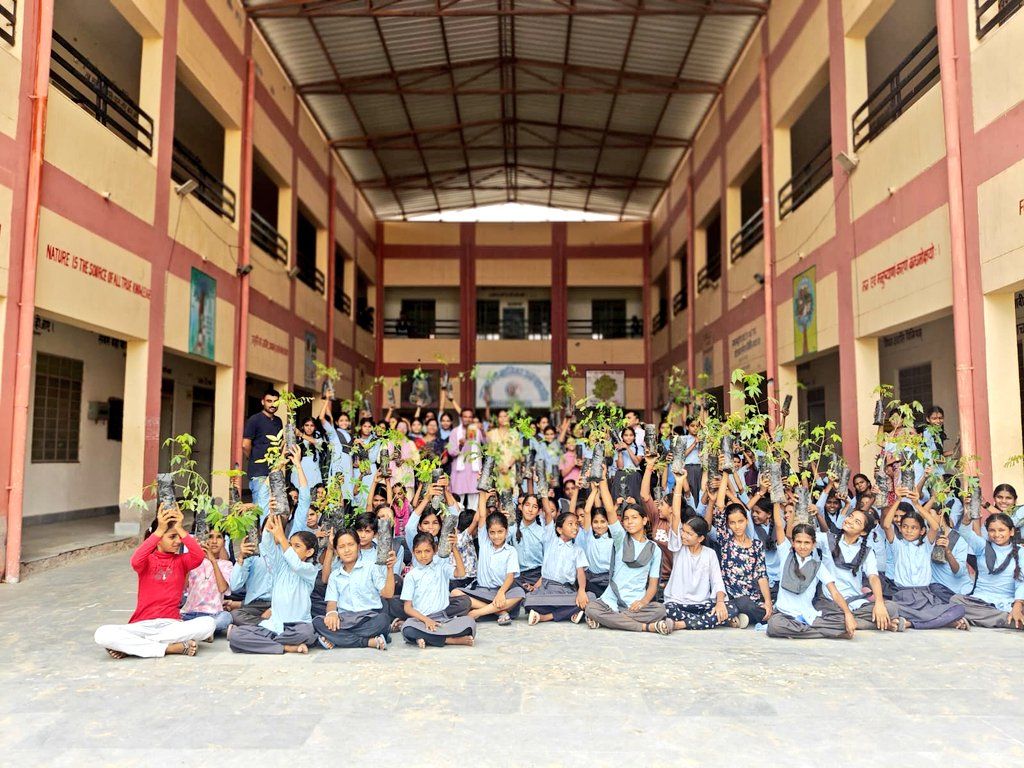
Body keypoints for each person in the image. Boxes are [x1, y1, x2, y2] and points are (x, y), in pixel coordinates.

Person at [94, 506, 216, 659]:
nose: (178, 541)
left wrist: (180, 528)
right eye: (172, 537)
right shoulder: (147, 561)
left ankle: (132, 647)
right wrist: (160, 530)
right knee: (102, 634)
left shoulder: (182, 561)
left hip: (171, 625)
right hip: (141, 625)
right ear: (158, 539)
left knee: (209, 624)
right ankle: (169, 648)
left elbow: (198, 555)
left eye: (178, 536)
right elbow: (135, 560)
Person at [583, 477, 670, 634]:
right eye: (626, 519)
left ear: (645, 520)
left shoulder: (654, 549)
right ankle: (645, 627)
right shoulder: (620, 539)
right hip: (610, 600)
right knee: (591, 608)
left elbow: (653, 584)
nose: (629, 522)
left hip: (635, 604)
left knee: (660, 610)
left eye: (634, 518)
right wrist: (602, 480)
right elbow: (610, 510)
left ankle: (610, 620)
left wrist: (643, 602)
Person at [227, 514, 319, 654]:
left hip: (298, 625)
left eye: (297, 546)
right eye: (290, 545)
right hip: (274, 625)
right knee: (236, 636)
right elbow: (268, 546)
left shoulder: (310, 570)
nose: (291, 548)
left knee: (306, 633)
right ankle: (286, 647)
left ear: (309, 552)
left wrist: (282, 538)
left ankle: (266, 642)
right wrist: (268, 526)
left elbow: (296, 565)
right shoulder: (280, 566)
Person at [880, 489, 968, 630]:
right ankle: (942, 621)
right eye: (905, 527)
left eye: (914, 528)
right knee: (888, 608)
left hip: (925, 597)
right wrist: (898, 499)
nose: (909, 530)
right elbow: (886, 525)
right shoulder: (897, 545)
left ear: (922, 531)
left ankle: (910, 623)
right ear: (900, 529)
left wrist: (917, 504)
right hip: (903, 597)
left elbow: (935, 526)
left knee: (959, 609)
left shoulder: (926, 545)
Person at [765, 521, 859, 640]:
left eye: (807, 543)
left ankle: (798, 632)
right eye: (798, 542)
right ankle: (825, 633)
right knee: (774, 626)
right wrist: (782, 508)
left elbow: (834, 592)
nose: (802, 546)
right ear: (793, 543)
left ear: (814, 544)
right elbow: (779, 526)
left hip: (808, 616)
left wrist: (848, 613)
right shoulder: (785, 554)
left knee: (842, 622)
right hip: (784, 615)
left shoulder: (817, 565)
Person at [313, 529, 397, 650]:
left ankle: (339, 638)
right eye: (341, 547)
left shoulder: (371, 568)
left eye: (350, 545)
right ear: (336, 551)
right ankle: (368, 641)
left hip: (369, 618)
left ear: (358, 546)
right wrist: (331, 614)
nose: (347, 550)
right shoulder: (335, 575)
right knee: (318, 622)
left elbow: (388, 594)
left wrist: (390, 569)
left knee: (383, 621)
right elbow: (331, 603)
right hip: (344, 620)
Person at [451, 501, 526, 625]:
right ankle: (499, 612)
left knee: (519, 593)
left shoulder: (511, 551)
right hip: (482, 592)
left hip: (501, 593)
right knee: (455, 593)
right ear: (487, 533)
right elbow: (481, 516)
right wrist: (483, 494)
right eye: (492, 532)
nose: (496, 536)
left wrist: (501, 593)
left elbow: (510, 576)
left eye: (500, 532)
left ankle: (478, 612)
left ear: (507, 531)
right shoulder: (484, 543)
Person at [400, 532, 476, 648]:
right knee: (408, 629)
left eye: (427, 551)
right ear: (413, 553)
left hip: (443, 619)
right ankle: (451, 640)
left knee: (470, 623)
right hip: (420, 620)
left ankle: (426, 637)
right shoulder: (411, 575)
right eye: (418, 552)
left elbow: (461, 573)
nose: (423, 555)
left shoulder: (441, 568)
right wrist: (426, 620)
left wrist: (454, 549)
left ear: (435, 550)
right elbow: (407, 608)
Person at [951, 511, 1024, 629]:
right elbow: (965, 532)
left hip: (1009, 602)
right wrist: (966, 519)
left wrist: (1018, 604)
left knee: (956, 609)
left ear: (1011, 532)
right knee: (955, 600)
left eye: (1001, 530)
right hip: (981, 601)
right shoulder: (982, 546)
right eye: (992, 530)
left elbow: (1022, 581)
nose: (997, 534)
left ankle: (989, 619)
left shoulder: (1021, 552)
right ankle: (1007, 620)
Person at [525, 510, 590, 625]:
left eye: (576, 524)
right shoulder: (550, 541)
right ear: (559, 529)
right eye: (570, 524)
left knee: (590, 598)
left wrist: (581, 590)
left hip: (565, 591)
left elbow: (580, 573)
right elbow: (548, 514)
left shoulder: (578, 550)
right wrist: (535, 587)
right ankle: (569, 613)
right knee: (527, 600)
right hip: (546, 589)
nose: (575, 527)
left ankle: (545, 617)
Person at [180, 527, 235, 634]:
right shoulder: (194, 562)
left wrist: (213, 561)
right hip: (190, 613)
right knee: (170, 615)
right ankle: (205, 632)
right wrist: (192, 556)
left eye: (218, 537)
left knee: (226, 617)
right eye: (210, 537)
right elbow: (183, 586)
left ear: (224, 542)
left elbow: (222, 588)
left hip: (213, 615)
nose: (214, 541)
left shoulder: (226, 565)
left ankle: (196, 631)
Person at [242, 390, 283, 515]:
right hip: (259, 473)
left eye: (275, 401)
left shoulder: (278, 421)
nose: (272, 404)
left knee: (274, 510)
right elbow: (245, 445)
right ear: (262, 402)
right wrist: (253, 458)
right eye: (269, 401)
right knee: (261, 510)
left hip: (274, 472)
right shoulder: (254, 420)